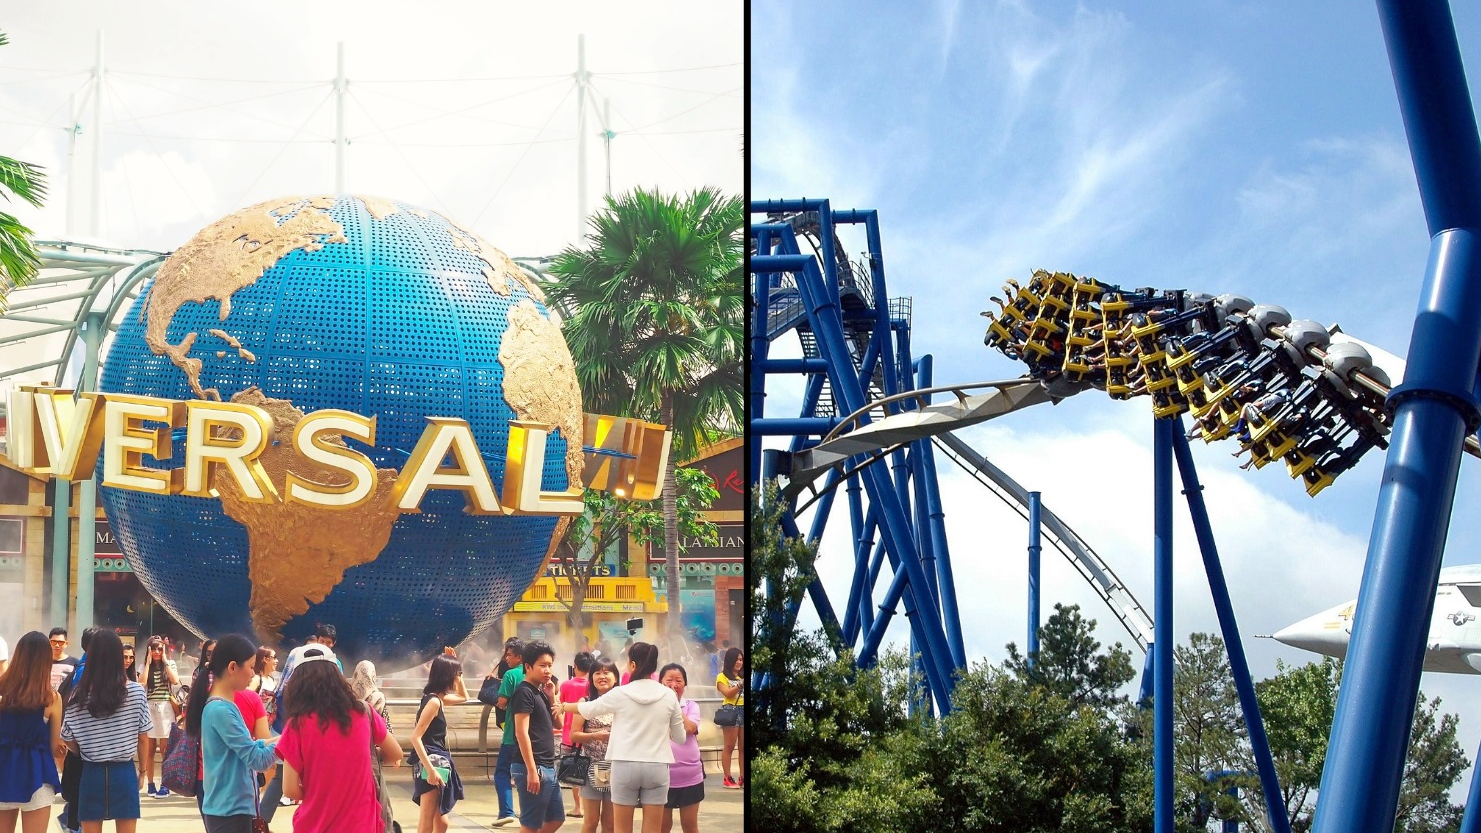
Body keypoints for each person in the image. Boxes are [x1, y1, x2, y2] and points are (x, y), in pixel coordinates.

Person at [559, 642, 685, 833]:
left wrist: (563, 706)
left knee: (621, 828)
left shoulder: (620, 693)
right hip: (657, 766)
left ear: (633, 665)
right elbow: (680, 738)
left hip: (624, 766)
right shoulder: (669, 695)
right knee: (652, 829)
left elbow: (589, 709)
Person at [276, 653, 403, 833]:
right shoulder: (364, 712)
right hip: (362, 823)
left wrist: (321, 792)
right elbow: (396, 753)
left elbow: (289, 789)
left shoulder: (297, 724)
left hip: (316, 824)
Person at [60, 629, 152, 833]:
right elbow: (143, 737)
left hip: (91, 771)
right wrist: (143, 771)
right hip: (124, 771)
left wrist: (82, 749)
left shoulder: (79, 695)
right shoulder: (136, 692)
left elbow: (66, 737)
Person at [185, 634, 278, 833]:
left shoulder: (225, 706)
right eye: (252, 667)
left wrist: (282, 738)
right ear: (233, 667)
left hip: (231, 811)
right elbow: (257, 759)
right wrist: (292, 740)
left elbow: (252, 747)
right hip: (230, 814)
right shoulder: (221, 711)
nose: (254, 674)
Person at [0, 631, 65, 833]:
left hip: (4, 771)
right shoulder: (51, 697)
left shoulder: (2, 690)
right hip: (38, 773)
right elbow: (54, 745)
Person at [410, 651, 469, 833]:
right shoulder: (434, 702)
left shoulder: (437, 698)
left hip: (437, 762)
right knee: (426, 823)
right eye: (456, 674)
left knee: (442, 823)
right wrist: (430, 770)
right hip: (431, 762)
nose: (457, 678)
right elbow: (415, 737)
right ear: (446, 676)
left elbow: (463, 697)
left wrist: (457, 668)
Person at [510, 640, 564, 833]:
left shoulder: (540, 692)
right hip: (533, 767)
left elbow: (559, 724)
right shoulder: (524, 692)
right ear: (528, 666)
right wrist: (532, 770)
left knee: (556, 818)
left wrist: (551, 697)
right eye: (542, 665)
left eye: (550, 665)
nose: (547, 670)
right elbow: (521, 732)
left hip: (547, 766)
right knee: (530, 825)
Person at [571, 656, 618, 833]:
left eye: (607, 673)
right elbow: (573, 735)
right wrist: (595, 736)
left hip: (617, 768)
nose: (602, 676)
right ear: (591, 677)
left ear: (615, 677)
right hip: (593, 767)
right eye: (597, 673)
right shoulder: (586, 702)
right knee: (590, 822)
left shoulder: (622, 703)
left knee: (610, 823)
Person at [658, 664, 702, 833]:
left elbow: (690, 728)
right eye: (669, 680)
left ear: (685, 684)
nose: (673, 685)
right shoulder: (654, 706)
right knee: (662, 827)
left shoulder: (691, 706)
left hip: (690, 776)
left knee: (690, 826)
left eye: (678, 680)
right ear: (660, 682)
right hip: (662, 776)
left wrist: (674, 705)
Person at [490, 638, 526, 827]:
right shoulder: (535, 674)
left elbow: (502, 702)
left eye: (509, 655)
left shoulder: (511, 675)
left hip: (512, 734)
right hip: (533, 735)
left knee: (502, 773)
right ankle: (529, 812)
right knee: (527, 772)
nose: (506, 658)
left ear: (519, 657)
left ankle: (506, 811)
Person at [138, 636, 179, 798]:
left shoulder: (170, 664)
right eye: (154, 649)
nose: (157, 652)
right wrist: (148, 664)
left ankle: (165, 784)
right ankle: (150, 783)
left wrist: (165, 660)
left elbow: (175, 680)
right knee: (148, 749)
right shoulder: (143, 666)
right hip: (149, 707)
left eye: (160, 649)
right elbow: (141, 683)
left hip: (165, 708)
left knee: (164, 749)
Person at [560, 652, 594, 818]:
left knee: (574, 773)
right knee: (589, 771)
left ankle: (578, 807)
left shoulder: (566, 685)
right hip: (589, 736)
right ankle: (590, 807)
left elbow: (562, 705)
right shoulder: (592, 685)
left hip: (570, 736)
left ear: (575, 666)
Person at [716, 647, 744, 789]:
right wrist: (739, 685)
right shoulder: (722, 677)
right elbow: (727, 693)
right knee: (729, 746)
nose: (739, 662)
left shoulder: (742, 676)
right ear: (729, 660)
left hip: (743, 709)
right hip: (731, 711)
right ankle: (727, 777)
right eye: (736, 659)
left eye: (741, 659)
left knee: (743, 747)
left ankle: (743, 777)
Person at [350, 660, 391, 734]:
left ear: (355, 675)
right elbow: (385, 730)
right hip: (372, 742)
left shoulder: (345, 698)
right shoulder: (379, 699)